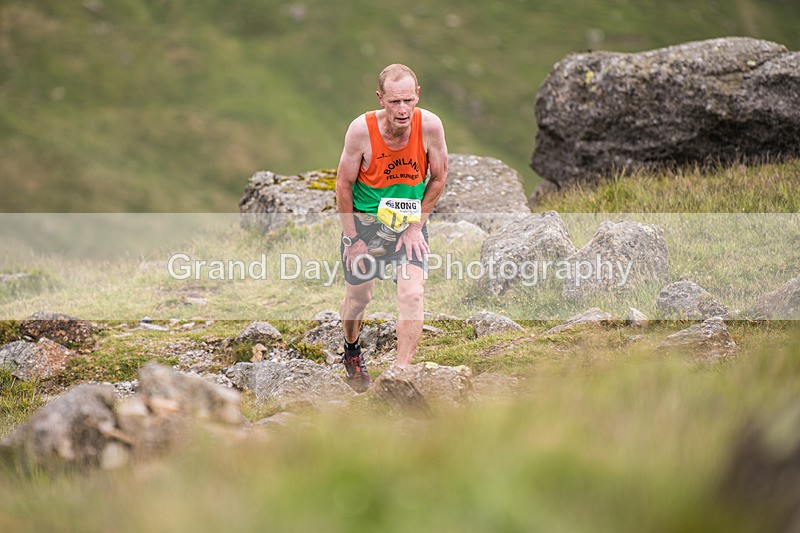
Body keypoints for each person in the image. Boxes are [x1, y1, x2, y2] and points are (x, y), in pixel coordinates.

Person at [335, 64, 448, 392]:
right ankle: (352, 349)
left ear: (418, 96)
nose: (402, 110)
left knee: (412, 294)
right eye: (395, 101)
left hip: (409, 223)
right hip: (366, 223)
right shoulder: (361, 131)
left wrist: (416, 226)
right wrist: (351, 238)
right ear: (380, 98)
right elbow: (343, 185)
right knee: (359, 298)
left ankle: (400, 375)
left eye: (409, 101)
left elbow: (439, 178)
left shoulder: (430, 127)